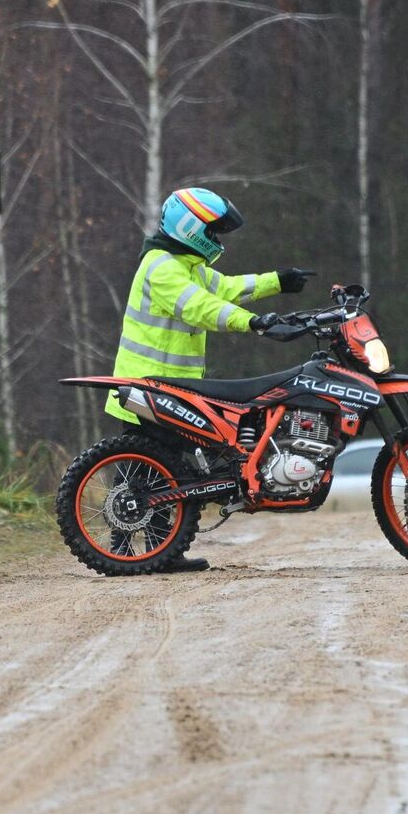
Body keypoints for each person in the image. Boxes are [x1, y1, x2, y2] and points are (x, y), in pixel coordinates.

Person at [106, 187, 313, 571]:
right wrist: (253, 323)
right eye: (213, 231)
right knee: (143, 469)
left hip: (172, 387)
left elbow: (228, 288)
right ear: (190, 228)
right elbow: (201, 308)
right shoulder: (162, 266)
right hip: (146, 385)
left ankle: (158, 551)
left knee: (166, 470)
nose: (218, 240)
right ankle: (123, 551)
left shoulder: (188, 265)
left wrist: (278, 282)